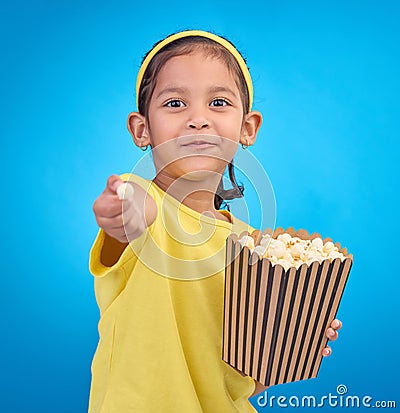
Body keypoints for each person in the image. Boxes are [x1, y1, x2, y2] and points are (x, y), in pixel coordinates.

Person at [88, 30, 342, 413]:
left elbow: (236, 380)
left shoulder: (255, 248)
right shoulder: (145, 201)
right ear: (142, 130)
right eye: (175, 103)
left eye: (218, 103)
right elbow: (135, 213)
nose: (198, 120)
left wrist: (289, 346)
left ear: (247, 128)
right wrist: (120, 209)